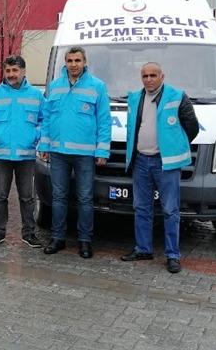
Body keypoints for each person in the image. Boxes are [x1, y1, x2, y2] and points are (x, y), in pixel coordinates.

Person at [121, 62, 199, 274]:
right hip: (140, 161)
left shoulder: (177, 96)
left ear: (162, 76)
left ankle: (173, 255)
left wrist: (174, 145)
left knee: (170, 210)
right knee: (141, 207)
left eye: (153, 75)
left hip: (166, 163)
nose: (148, 79)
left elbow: (191, 127)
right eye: (145, 76)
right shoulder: (135, 97)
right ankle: (143, 249)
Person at [38, 46, 111, 258]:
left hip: (85, 154)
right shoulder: (55, 86)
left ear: (84, 62)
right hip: (58, 152)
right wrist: (44, 145)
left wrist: (102, 150)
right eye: (70, 60)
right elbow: (47, 119)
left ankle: (85, 241)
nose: (73, 64)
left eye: (77, 60)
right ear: (65, 63)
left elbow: (104, 121)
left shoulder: (97, 86)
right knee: (58, 197)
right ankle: (57, 238)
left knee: (85, 198)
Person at [0, 55, 44, 248]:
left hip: (26, 155)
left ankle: (29, 233)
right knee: (0, 196)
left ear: (23, 71)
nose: (11, 74)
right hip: (1, 155)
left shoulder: (36, 95)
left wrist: (35, 135)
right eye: (8, 71)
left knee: (27, 197)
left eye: (15, 70)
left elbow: (45, 119)